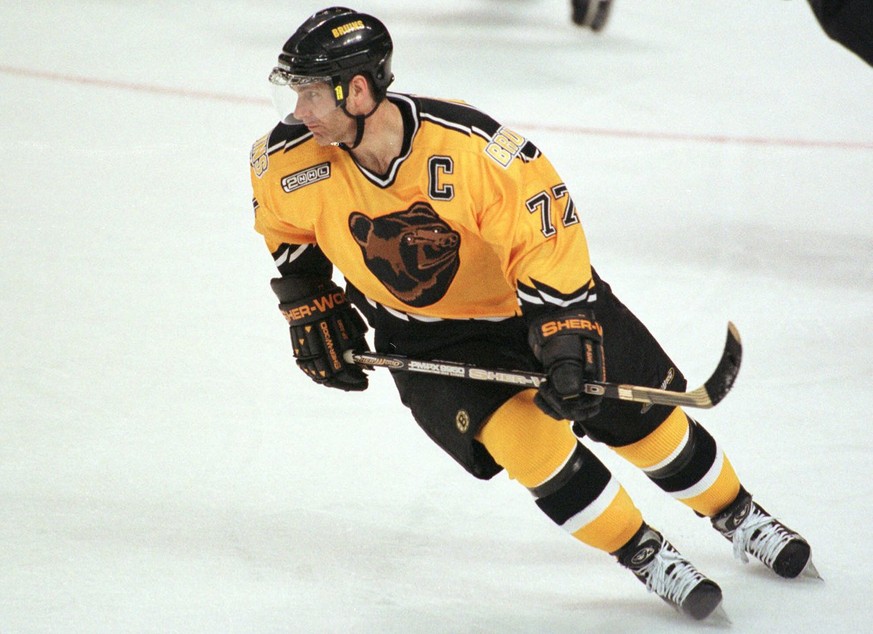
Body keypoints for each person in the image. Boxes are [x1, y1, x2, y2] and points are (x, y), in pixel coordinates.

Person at [249, 7, 816, 621]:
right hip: (429, 341)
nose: (298, 111)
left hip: (529, 307)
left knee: (641, 420)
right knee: (533, 448)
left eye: (310, 93)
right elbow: (287, 229)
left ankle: (735, 512)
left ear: (358, 90)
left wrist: (564, 337)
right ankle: (644, 553)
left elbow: (545, 239)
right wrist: (309, 300)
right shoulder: (286, 160)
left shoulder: (470, 148)